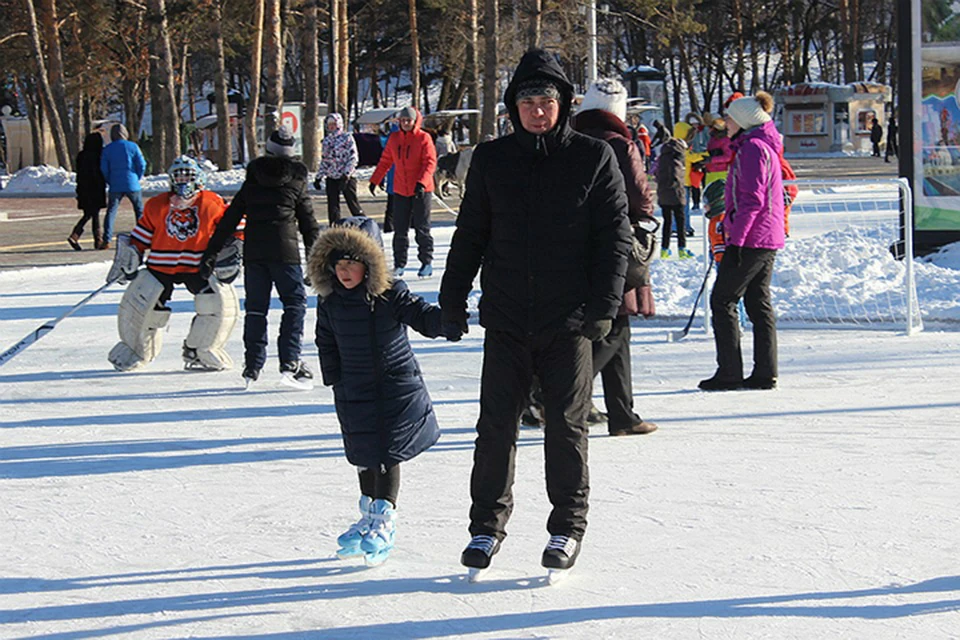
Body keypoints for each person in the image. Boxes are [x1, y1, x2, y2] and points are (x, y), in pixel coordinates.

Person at [439, 48, 632, 575]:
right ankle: (485, 527)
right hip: (505, 317)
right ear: (512, 108)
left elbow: (614, 238)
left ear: (564, 104)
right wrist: (452, 300)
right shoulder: (492, 159)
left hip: (567, 320)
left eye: (547, 100)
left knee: (565, 428)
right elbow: (470, 236)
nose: (538, 110)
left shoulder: (593, 157)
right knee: (494, 427)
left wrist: (604, 307)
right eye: (528, 101)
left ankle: (566, 527)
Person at [307, 219, 457, 566]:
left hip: (395, 388)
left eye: (352, 264)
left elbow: (421, 315)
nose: (344, 272)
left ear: (370, 265)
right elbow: (324, 339)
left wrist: (447, 322)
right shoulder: (329, 302)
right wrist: (334, 378)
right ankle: (368, 517)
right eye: (338, 265)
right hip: (352, 389)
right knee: (363, 454)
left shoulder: (390, 295)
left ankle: (385, 521)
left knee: (387, 453)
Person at [200, 125, 320, 389]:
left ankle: (253, 364)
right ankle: (290, 360)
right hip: (285, 253)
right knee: (294, 304)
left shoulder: (253, 179)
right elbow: (308, 224)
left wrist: (210, 254)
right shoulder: (297, 181)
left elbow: (229, 220)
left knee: (256, 309)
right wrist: (316, 262)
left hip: (255, 255)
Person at [573, 77, 659, 436]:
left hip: (576, 245)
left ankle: (622, 412)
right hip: (616, 244)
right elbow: (640, 199)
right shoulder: (621, 145)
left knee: (614, 328)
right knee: (614, 329)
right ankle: (557, 395)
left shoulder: (570, 141)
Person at [106, 155, 240, 372]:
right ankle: (135, 350)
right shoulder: (157, 205)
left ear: (199, 179)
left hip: (198, 265)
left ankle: (199, 350)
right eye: (178, 176)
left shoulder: (210, 202)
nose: (183, 181)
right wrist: (129, 256)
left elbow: (236, 226)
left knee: (219, 305)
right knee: (142, 308)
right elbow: (140, 237)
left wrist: (234, 248)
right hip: (160, 266)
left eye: (188, 175)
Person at [699, 92, 785, 392]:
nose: (727, 123)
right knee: (757, 302)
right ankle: (765, 371)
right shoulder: (760, 145)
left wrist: (735, 240)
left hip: (752, 239)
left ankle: (730, 372)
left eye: (732, 118)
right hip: (765, 236)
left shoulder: (753, 148)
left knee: (723, 299)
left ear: (745, 120)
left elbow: (752, 200)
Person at [370, 106, 438, 279]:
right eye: (403, 120)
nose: (406, 123)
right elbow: (386, 160)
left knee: (422, 228)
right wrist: (375, 179)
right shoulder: (394, 138)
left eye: (409, 120)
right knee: (400, 230)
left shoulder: (424, 138)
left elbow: (430, 162)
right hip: (401, 189)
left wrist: (421, 183)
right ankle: (400, 263)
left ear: (415, 121)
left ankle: (426, 262)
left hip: (421, 190)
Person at [100, 123, 146, 251]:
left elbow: (104, 168)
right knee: (139, 211)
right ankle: (142, 238)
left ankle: (107, 239)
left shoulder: (108, 149)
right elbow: (141, 164)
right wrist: (137, 177)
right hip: (132, 182)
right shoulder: (133, 146)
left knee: (111, 211)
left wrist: (109, 180)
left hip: (115, 183)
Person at [314, 113, 364, 224]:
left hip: (346, 176)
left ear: (339, 124)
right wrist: (319, 177)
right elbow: (325, 160)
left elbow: (353, 158)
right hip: (332, 176)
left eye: (334, 124)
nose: (331, 126)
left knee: (352, 203)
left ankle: (364, 222)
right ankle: (334, 226)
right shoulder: (327, 141)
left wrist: (347, 174)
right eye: (329, 124)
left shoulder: (347, 138)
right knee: (333, 205)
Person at [657, 122, 693, 259]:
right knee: (680, 222)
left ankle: (664, 249)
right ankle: (682, 249)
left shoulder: (663, 156)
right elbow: (676, 175)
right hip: (676, 193)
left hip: (663, 193)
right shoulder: (677, 157)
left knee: (667, 222)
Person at [68, 132, 107, 251]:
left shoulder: (81, 155)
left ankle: (94, 239)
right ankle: (78, 235)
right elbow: (99, 173)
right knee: (92, 214)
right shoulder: (98, 156)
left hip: (83, 188)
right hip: (95, 188)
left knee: (90, 214)